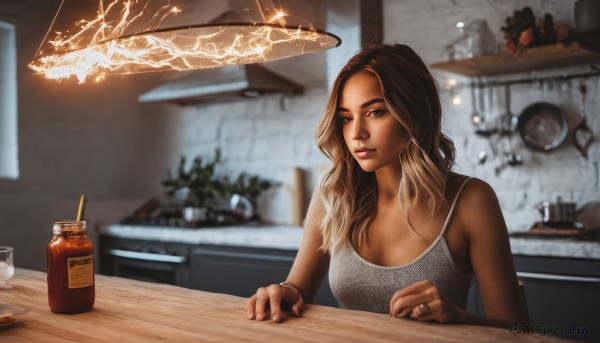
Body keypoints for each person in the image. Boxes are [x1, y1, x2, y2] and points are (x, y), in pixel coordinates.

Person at [246, 43, 529, 327]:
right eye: (346, 118)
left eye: (375, 112)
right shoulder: (334, 193)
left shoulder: (471, 200)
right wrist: (282, 291)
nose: (356, 133)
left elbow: (519, 330)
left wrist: (457, 317)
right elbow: (297, 290)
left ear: (414, 112)